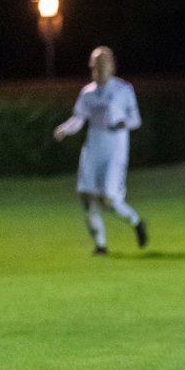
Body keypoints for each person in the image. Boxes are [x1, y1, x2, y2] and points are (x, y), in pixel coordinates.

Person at [53, 46, 148, 255]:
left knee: (108, 199)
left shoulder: (123, 90)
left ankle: (136, 222)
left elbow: (136, 120)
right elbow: (79, 118)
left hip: (115, 150)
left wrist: (122, 124)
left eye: (104, 64)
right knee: (87, 196)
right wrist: (64, 129)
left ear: (112, 66)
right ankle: (100, 245)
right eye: (96, 65)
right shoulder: (87, 93)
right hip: (93, 148)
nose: (99, 69)